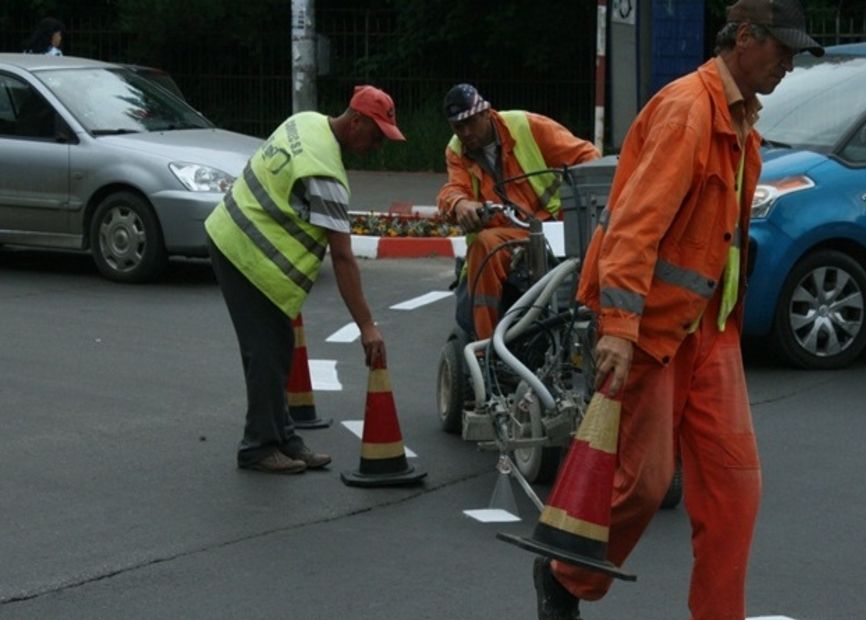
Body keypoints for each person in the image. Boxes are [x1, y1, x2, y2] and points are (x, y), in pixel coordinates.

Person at [530, 0, 823, 620]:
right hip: (654, 332)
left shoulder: (742, 121)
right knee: (644, 485)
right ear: (744, 39)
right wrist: (620, 330)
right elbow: (634, 226)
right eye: (781, 49)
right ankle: (565, 578)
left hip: (709, 335)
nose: (788, 63)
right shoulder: (689, 111)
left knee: (734, 489)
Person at [205, 85, 404, 474]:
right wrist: (367, 326)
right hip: (244, 253)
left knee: (277, 349)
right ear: (356, 121)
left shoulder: (307, 122)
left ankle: (285, 439)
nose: (378, 145)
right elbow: (344, 258)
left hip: (237, 237)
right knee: (264, 353)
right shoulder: (325, 173)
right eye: (376, 135)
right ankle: (259, 447)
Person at [436, 83, 600, 341]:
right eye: (458, 127)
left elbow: (588, 157)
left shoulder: (526, 127)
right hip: (508, 233)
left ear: (486, 113)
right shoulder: (457, 150)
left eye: (470, 122)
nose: (465, 132)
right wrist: (460, 204)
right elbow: (453, 189)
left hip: (555, 226)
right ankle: (486, 348)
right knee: (484, 245)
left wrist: (576, 200)